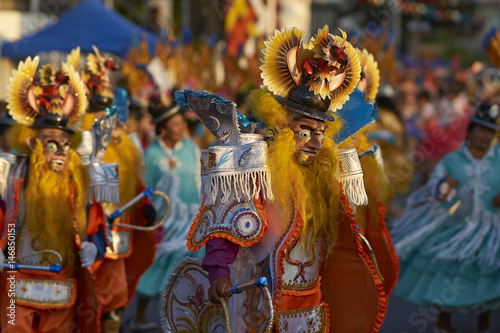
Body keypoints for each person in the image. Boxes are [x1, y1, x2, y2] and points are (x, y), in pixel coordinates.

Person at [170, 26, 385, 332]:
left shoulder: (325, 179)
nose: (315, 143)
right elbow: (226, 229)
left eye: (321, 134)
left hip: (311, 310)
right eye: (305, 132)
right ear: (282, 126)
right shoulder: (256, 173)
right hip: (261, 308)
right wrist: (219, 272)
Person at [0, 56, 100, 332]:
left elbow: (97, 222)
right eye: (51, 143)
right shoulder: (11, 175)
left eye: (66, 144)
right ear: (33, 143)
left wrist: (96, 246)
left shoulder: (79, 181)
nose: (60, 152)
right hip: (16, 283)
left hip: (62, 285)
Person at [391, 103, 500, 333]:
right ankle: (444, 322)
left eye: (489, 131)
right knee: (448, 268)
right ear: (470, 131)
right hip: (456, 228)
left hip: (490, 230)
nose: (484, 135)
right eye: (480, 129)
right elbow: (435, 185)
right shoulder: (453, 160)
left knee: (487, 272)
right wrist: (444, 187)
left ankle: (483, 325)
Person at [78, 46, 157, 332]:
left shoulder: (125, 151)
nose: (115, 125)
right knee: (85, 305)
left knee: (115, 303)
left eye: (115, 118)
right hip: (85, 245)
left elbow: (136, 184)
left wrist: (145, 207)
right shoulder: (79, 150)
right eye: (105, 119)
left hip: (117, 244)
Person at [132, 97, 202, 329]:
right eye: (174, 123)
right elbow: (144, 185)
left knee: (187, 262)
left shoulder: (192, 148)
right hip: (163, 220)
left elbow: (201, 180)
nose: (180, 126)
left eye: (181, 121)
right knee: (156, 263)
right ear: (163, 128)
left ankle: (179, 318)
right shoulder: (152, 155)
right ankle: (140, 315)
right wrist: (147, 210)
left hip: (189, 219)